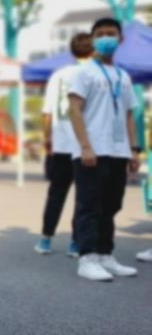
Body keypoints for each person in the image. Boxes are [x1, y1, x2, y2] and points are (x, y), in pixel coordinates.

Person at [67, 18, 143, 281]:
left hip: (118, 151)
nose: (105, 38)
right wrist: (85, 146)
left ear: (121, 39)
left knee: (111, 206)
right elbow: (74, 109)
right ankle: (87, 258)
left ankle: (105, 255)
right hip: (92, 151)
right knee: (90, 205)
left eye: (111, 33)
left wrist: (134, 150)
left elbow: (129, 115)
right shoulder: (84, 72)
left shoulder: (123, 76)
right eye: (100, 34)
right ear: (92, 39)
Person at [35, 32, 92, 256]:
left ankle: (45, 240)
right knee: (83, 197)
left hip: (61, 143)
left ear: (72, 50)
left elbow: (47, 112)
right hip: (87, 145)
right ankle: (76, 243)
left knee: (56, 194)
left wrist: (47, 138)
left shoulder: (58, 75)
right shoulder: (94, 73)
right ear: (93, 50)